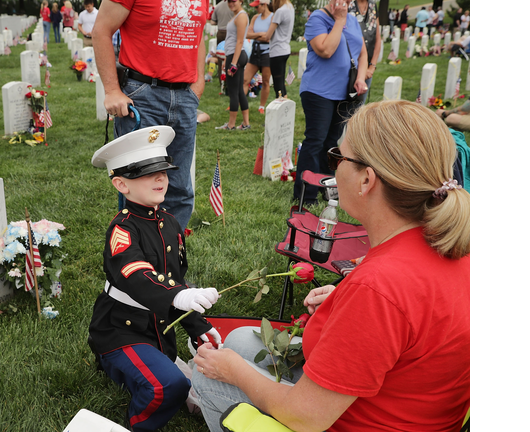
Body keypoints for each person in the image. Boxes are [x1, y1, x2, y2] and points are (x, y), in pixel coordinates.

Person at [191, 100, 470, 432]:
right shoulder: (447, 242)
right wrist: (343, 301)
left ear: (367, 180)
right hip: (414, 407)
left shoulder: (379, 287)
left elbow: (307, 417)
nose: (333, 167)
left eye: (337, 157)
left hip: (348, 420)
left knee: (208, 374)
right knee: (237, 341)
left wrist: (233, 373)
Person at [89, 126, 222, 432]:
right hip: (121, 329)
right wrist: (177, 297)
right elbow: (135, 276)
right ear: (121, 184)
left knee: (196, 376)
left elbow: (175, 281)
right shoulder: (122, 230)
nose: (160, 178)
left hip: (160, 330)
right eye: (147, 173)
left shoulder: (171, 223)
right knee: (166, 387)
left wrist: (198, 327)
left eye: (162, 170)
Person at [92, 0, 208, 232]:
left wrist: (198, 83)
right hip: (143, 95)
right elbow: (101, 29)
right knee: (139, 189)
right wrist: (113, 90)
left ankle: (170, 257)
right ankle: (139, 261)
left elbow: (197, 35)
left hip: (185, 96)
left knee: (180, 189)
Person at [293, 0, 367, 206]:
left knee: (331, 143)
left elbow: (362, 52)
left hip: (344, 93)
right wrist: (339, 19)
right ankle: (305, 195)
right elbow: (325, 49)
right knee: (315, 141)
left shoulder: (352, 21)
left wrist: (361, 78)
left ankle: (327, 188)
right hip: (318, 91)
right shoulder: (317, 18)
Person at [215, 0, 250, 130]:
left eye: (234, 1)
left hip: (237, 56)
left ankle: (231, 125)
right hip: (232, 55)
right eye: (229, 1)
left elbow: (240, 42)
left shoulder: (241, 16)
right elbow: (230, 40)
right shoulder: (236, 15)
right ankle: (246, 123)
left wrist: (233, 64)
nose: (231, 3)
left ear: (241, 1)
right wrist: (225, 59)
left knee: (233, 92)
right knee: (239, 90)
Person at [243, 0, 273, 114]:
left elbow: (269, 38)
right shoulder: (255, 18)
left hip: (267, 52)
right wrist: (261, 34)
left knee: (265, 81)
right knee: (245, 80)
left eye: (257, 7)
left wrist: (257, 35)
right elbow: (247, 34)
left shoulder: (272, 18)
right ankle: (240, 103)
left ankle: (261, 106)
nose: (255, 9)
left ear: (264, 5)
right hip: (255, 51)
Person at [348, 0, 380, 105]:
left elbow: (377, 38)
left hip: (367, 68)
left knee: (360, 107)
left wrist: (372, 67)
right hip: (350, 67)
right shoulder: (349, 4)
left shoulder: (373, 6)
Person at [262, 0, 295, 101]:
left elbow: (268, 36)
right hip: (285, 48)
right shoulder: (290, 8)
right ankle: (285, 107)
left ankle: (281, 109)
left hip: (277, 50)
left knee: (278, 86)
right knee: (281, 84)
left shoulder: (279, 12)